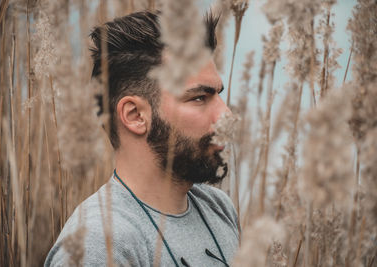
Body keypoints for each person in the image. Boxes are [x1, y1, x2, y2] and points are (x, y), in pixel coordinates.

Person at [45, 11, 239, 267]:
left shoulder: (217, 207)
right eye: (199, 98)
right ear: (135, 115)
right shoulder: (99, 246)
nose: (227, 114)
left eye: (218, 94)